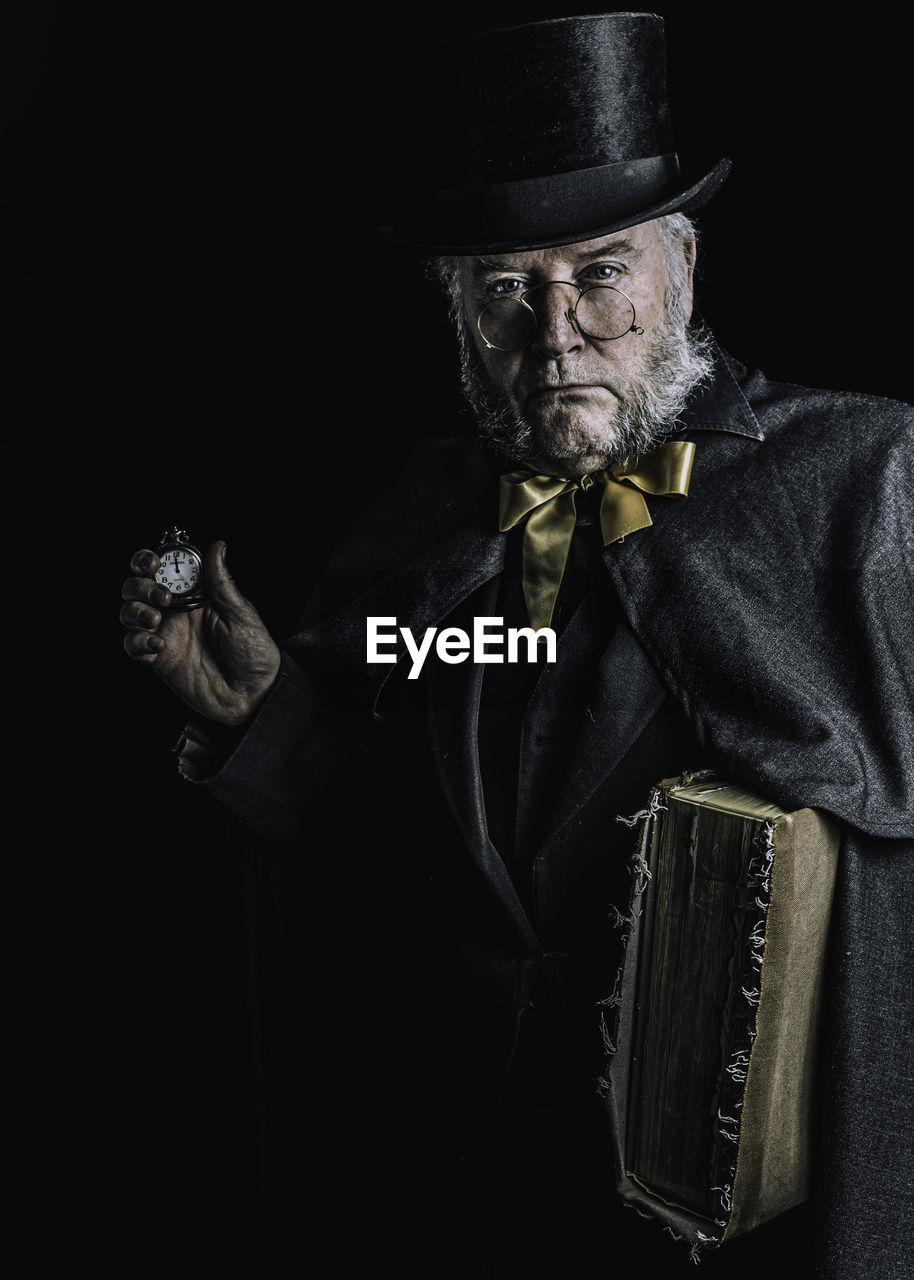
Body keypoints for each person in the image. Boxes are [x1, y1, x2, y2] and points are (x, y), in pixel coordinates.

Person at [119, 13, 913, 1279]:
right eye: (506, 288)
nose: (554, 331)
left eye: (599, 273)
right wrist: (262, 719)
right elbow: (392, 845)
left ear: (682, 270)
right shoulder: (420, 526)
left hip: (759, 1223)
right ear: (459, 312)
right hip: (475, 1194)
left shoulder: (864, 482)